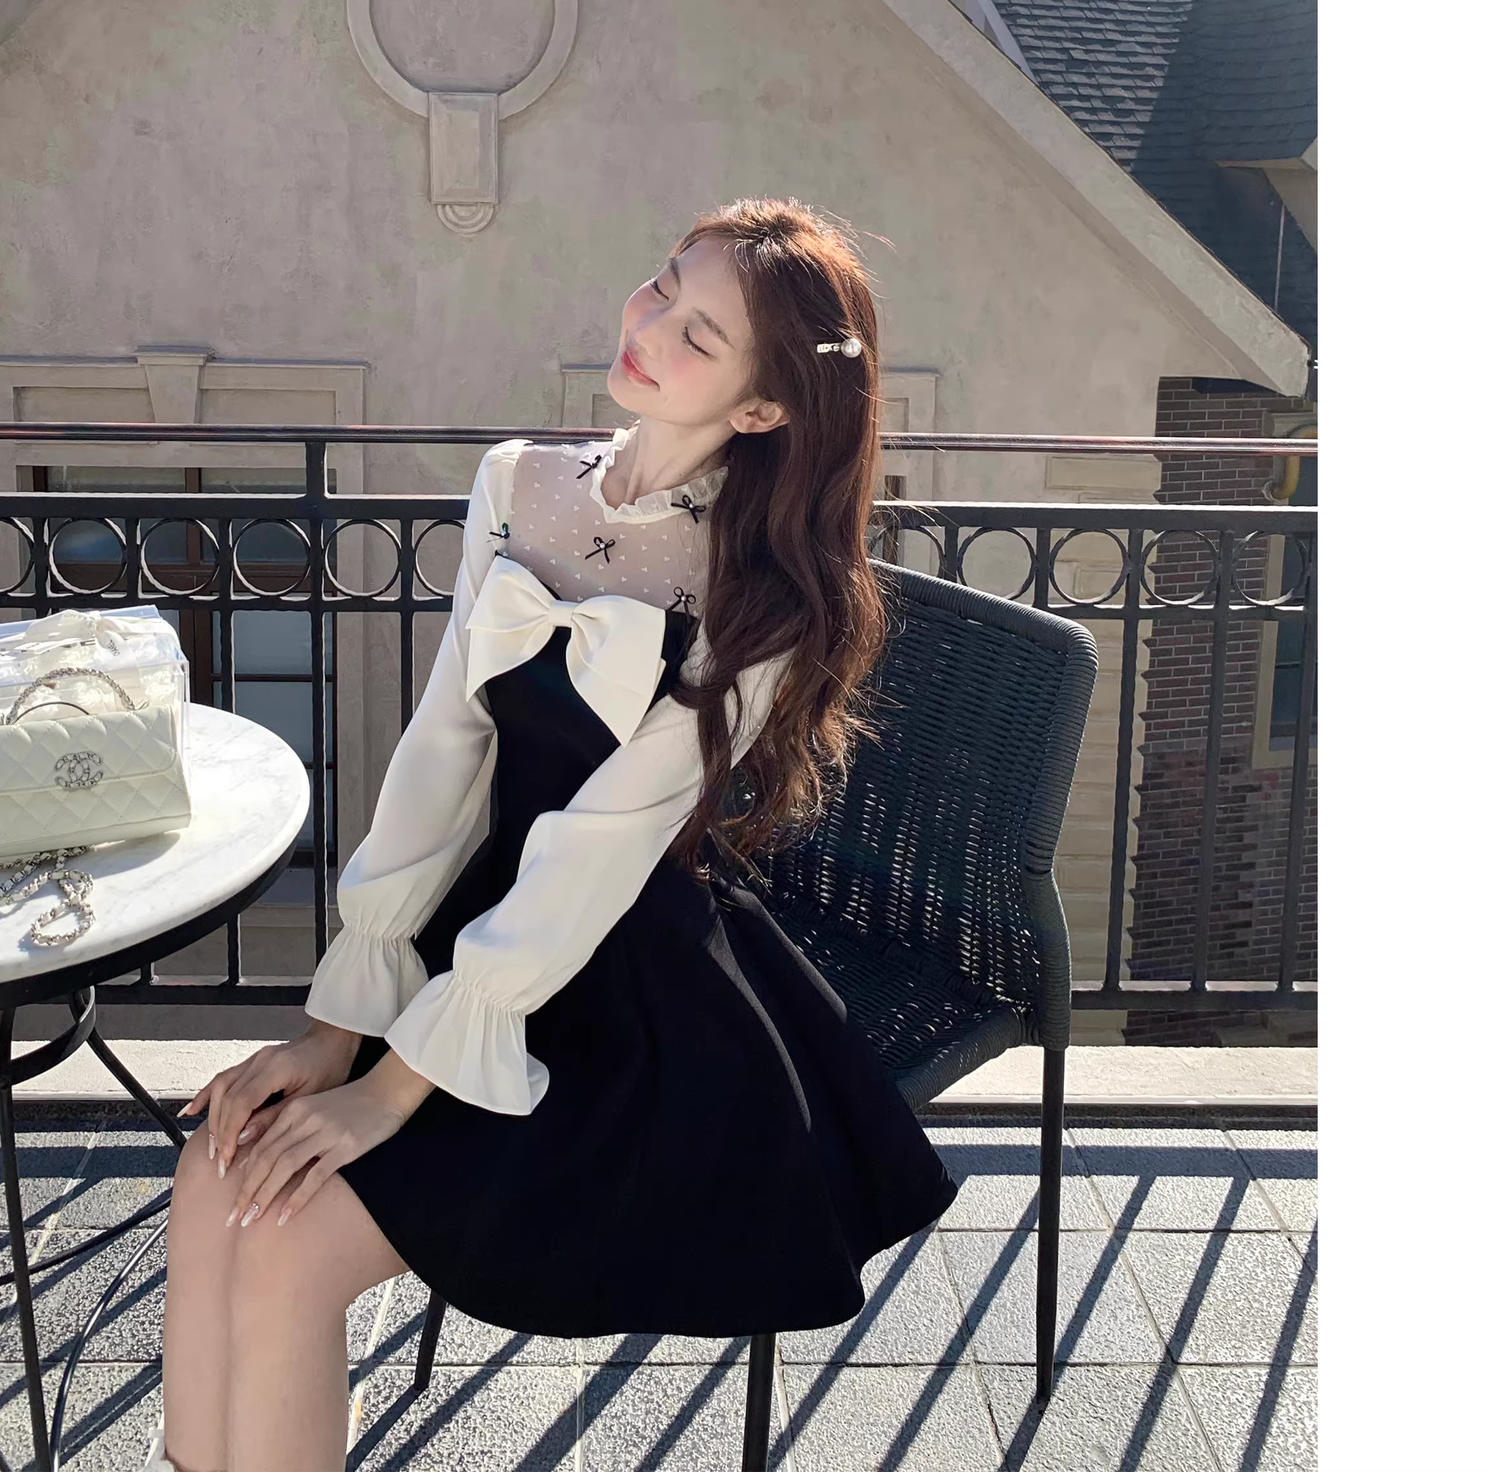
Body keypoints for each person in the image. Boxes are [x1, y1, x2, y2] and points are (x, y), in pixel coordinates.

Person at [146, 197, 959, 1472]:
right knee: (218, 1168)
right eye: (661, 284)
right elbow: (445, 745)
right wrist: (338, 1023)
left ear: (761, 407)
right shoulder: (515, 482)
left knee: (290, 1242)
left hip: (617, 980)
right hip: (470, 917)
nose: (649, 327)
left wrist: (391, 1090)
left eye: (699, 334)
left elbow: (598, 850)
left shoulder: (765, 596)